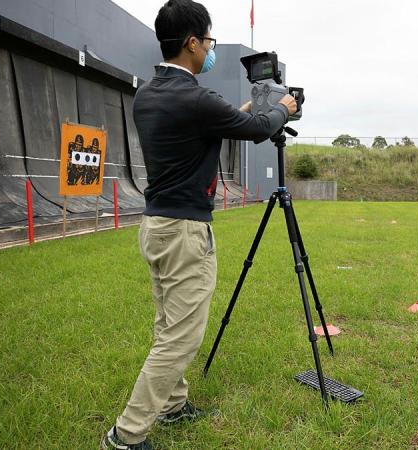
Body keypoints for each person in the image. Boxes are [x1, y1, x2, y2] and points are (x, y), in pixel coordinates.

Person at [101, 1, 297, 448]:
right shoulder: (196, 98)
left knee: (167, 322)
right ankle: (126, 436)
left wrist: (249, 111)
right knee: (180, 338)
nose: (209, 48)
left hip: (156, 227)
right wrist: (282, 109)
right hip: (185, 232)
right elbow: (253, 129)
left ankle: (172, 405)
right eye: (208, 41)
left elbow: (214, 121)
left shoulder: (150, 93)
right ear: (191, 42)